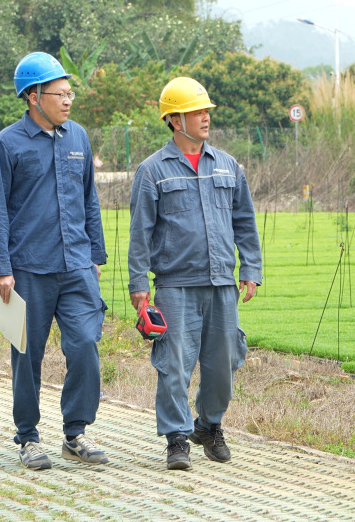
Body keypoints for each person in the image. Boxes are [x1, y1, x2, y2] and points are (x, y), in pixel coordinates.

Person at [128, 76, 263, 470]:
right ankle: (176, 439)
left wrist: (250, 268)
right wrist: (139, 284)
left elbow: (245, 223)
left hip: (222, 284)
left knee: (224, 364)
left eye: (206, 111)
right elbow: (140, 232)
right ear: (173, 120)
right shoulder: (152, 171)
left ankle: (208, 425)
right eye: (195, 112)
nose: (205, 118)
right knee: (173, 365)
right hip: (174, 284)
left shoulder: (228, 166)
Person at [0, 51, 109, 470]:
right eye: (60, 93)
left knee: (86, 345)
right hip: (27, 269)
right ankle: (28, 437)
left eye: (70, 92)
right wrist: (1, 267)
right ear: (34, 97)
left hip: (76, 265)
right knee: (26, 353)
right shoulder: (6, 145)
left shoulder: (78, 138)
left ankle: (75, 433)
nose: (68, 100)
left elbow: (90, 199)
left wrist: (95, 255)